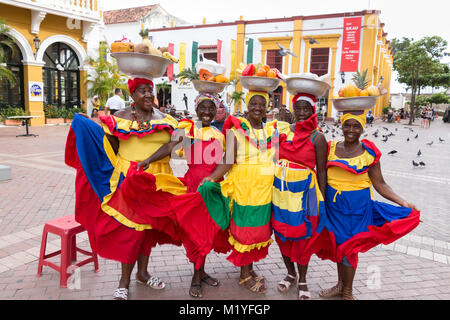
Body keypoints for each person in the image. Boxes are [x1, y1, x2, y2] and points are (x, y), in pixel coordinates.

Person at [65, 78, 185, 300]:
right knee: (131, 231)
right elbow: (108, 144)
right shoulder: (120, 118)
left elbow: (172, 145)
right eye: (142, 91)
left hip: (158, 179)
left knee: (148, 231)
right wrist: (87, 126)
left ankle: (143, 273)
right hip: (129, 179)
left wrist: (150, 159)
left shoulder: (167, 119)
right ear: (132, 95)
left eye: (151, 91)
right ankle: (123, 281)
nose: (148, 95)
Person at [316, 112, 421, 300]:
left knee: (350, 247)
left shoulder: (369, 153)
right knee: (339, 245)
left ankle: (348, 291)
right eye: (347, 125)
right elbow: (321, 175)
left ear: (363, 128)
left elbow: (380, 184)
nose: (351, 130)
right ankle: (341, 285)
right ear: (341, 126)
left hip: (357, 209)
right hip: (334, 208)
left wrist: (402, 202)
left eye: (356, 126)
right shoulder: (330, 148)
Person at [149, 92, 232, 298]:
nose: (207, 111)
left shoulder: (220, 135)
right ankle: (196, 276)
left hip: (212, 188)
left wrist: (215, 179)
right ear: (196, 109)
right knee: (197, 233)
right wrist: (147, 160)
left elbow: (227, 162)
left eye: (211, 108)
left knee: (209, 232)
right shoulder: (188, 131)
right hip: (194, 187)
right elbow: (170, 147)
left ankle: (201, 272)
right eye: (202, 107)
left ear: (216, 111)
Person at [199, 91, 279, 294]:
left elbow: (275, 159)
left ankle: (249, 269)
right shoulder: (237, 130)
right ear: (247, 105)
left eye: (262, 104)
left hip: (265, 189)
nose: (257, 108)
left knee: (260, 230)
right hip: (244, 187)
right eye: (253, 103)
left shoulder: (272, 131)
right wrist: (213, 177)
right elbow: (228, 159)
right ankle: (244, 275)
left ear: (267, 107)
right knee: (246, 231)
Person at [272, 93, 328, 300]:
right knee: (281, 234)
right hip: (280, 193)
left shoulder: (318, 137)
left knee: (303, 236)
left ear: (313, 110)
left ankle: (302, 279)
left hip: (306, 195)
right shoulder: (284, 132)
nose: (302, 113)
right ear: (293, 110)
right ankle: (290, 273)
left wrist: (322, 198)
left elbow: (322, 171)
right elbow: (273, 158)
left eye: (307, 109)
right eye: (299, 108)